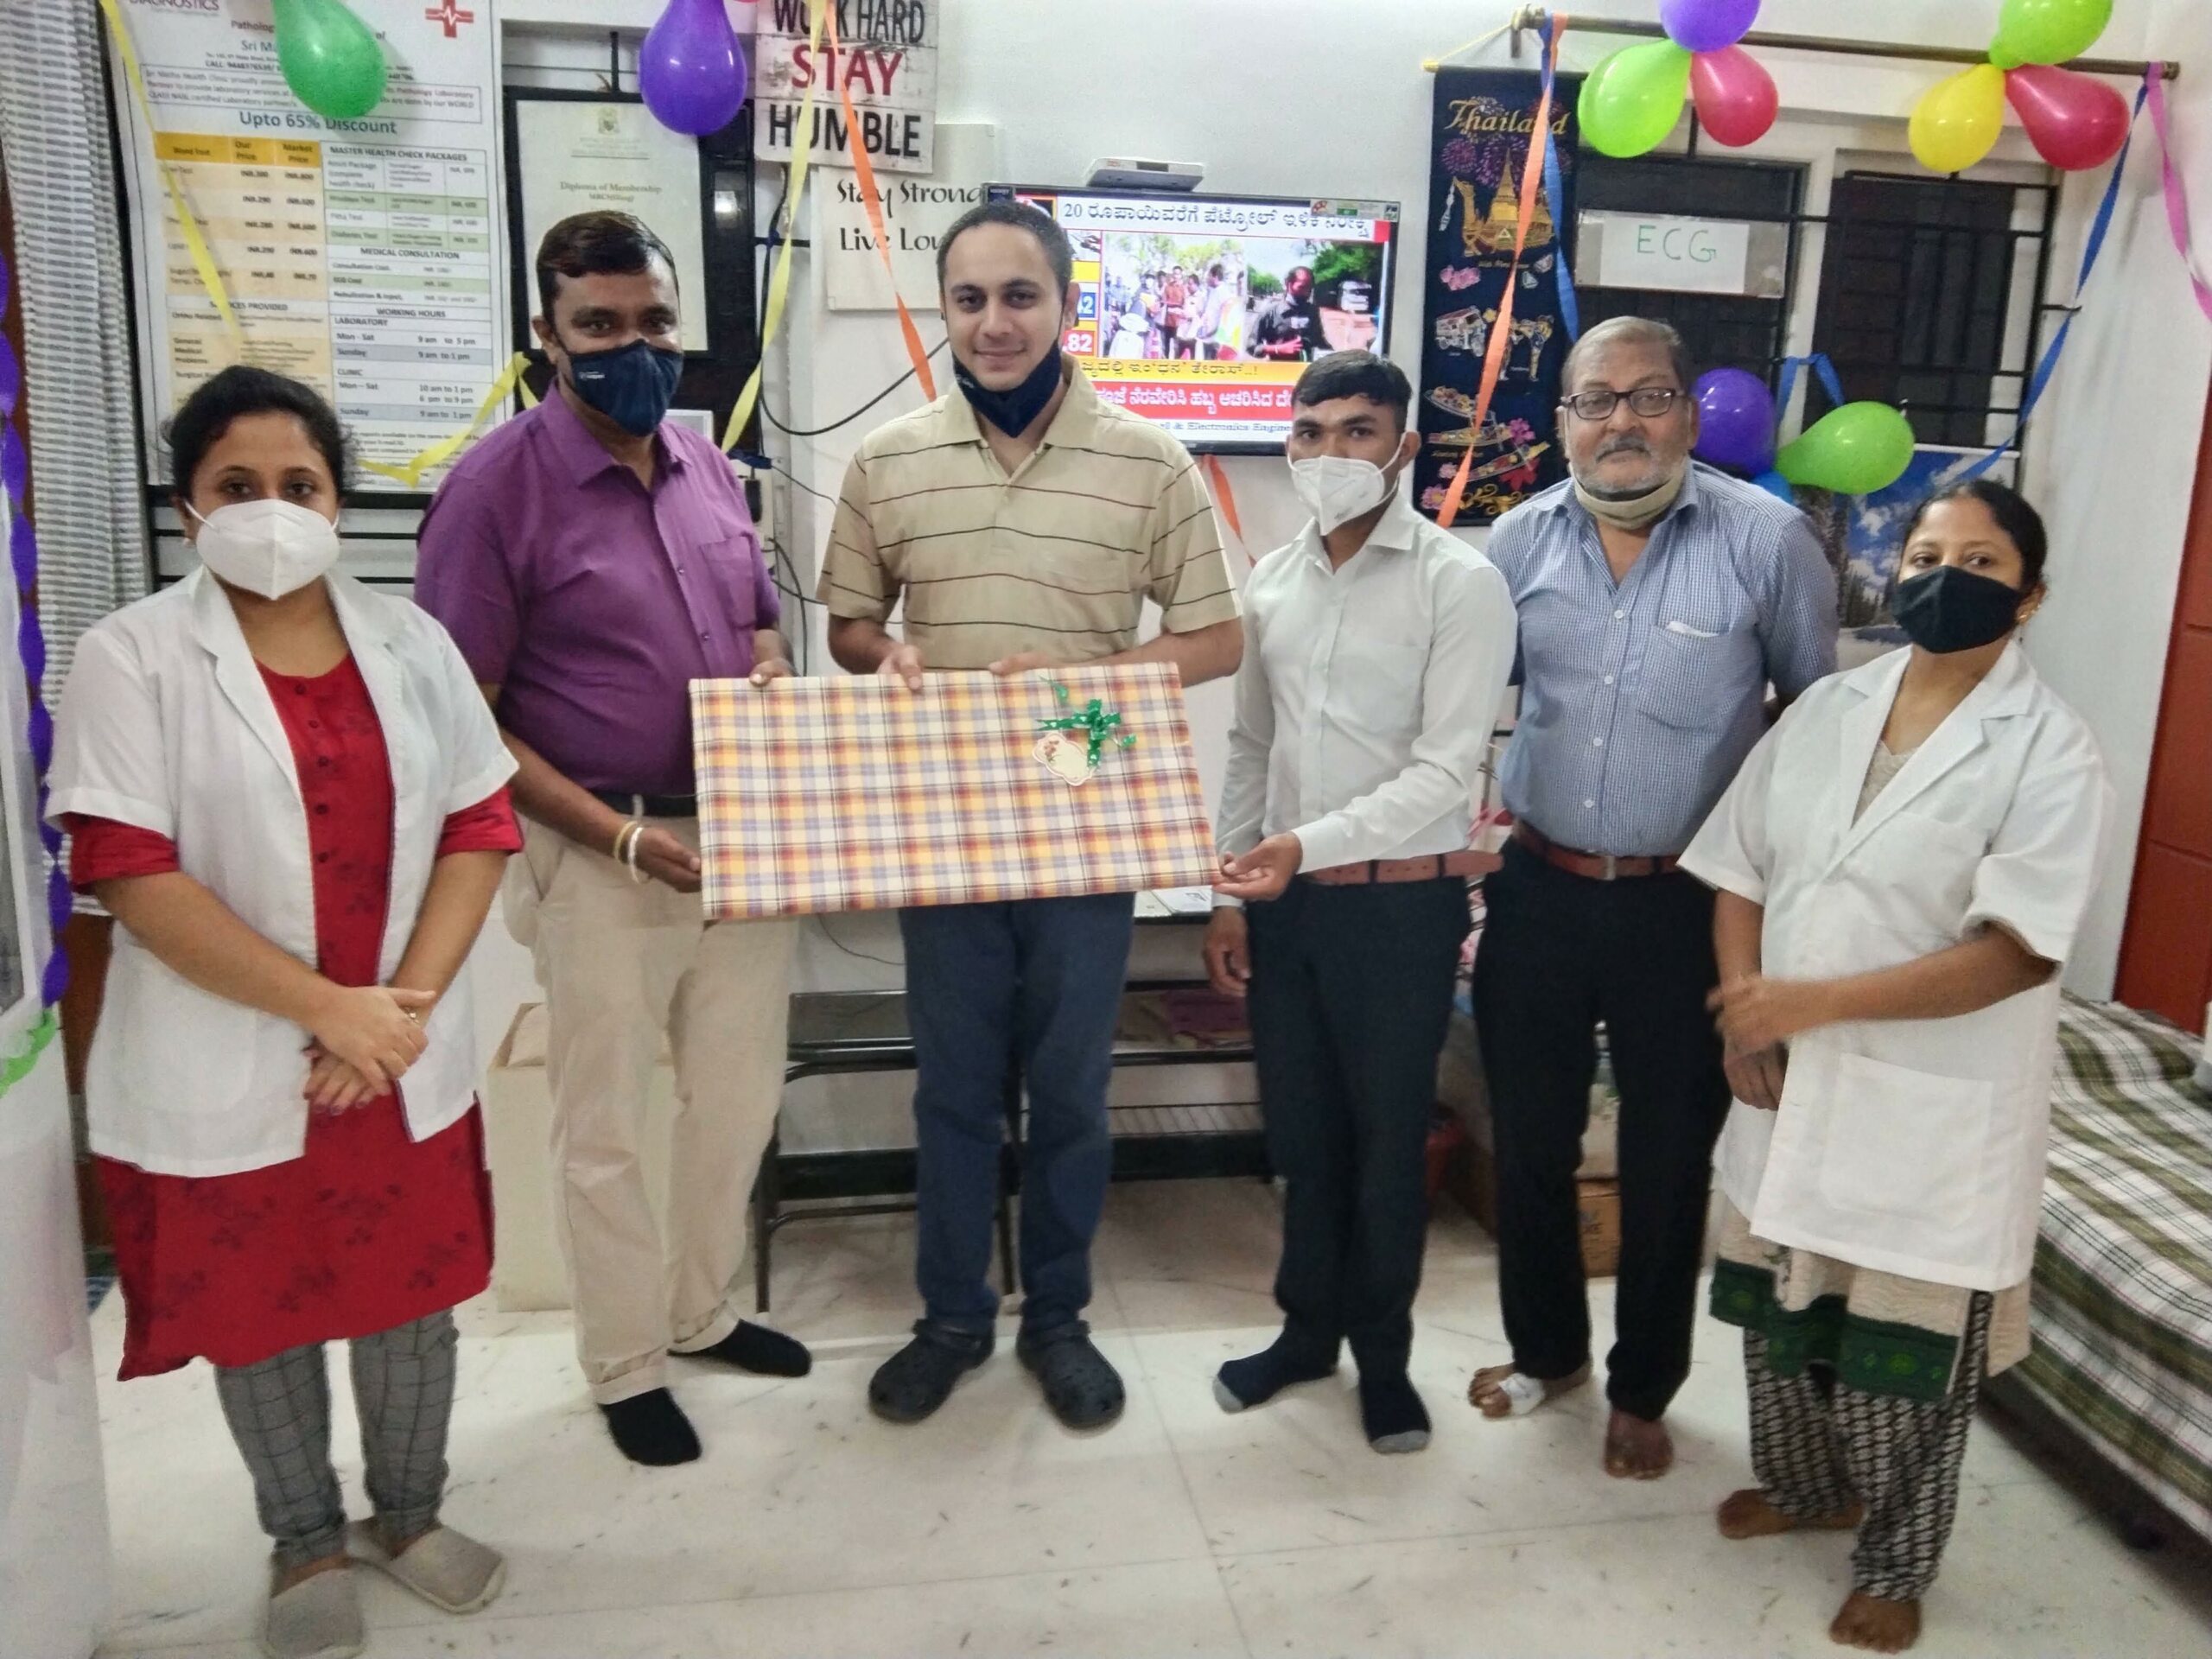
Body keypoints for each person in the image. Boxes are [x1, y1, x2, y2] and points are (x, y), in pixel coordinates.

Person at [52, 366, 518, 1659]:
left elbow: (479, 823)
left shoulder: (412, 643)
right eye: (236, 485)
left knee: (410, 1305)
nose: (270, 509)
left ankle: (411, 1518)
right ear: (189, 507)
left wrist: (394, 1020)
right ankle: (304, 1538)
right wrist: (331, 1014)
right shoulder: (131, 654)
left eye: (298, 485)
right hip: (239, 1050)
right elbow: (126, 868)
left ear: (336, 501)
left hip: (395, 1054)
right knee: (257, 1315)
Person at [821, 199, 1243, 1431]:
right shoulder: (890, 458)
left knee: (1068, 1090)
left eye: (1020, 296)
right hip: (944, 815)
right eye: (969, 299)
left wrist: (1090, 682)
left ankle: (1058, 1316)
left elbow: (1215, 639)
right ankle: (951, 1318)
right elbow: (848, 627)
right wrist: (886, 656)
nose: (994, 323)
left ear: (1067, 305)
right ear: (944, 311)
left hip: (1084, 806)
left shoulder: (1150, 460)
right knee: (953, 1090)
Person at [1683, 480, 2109, 1654]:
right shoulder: (1829, 708)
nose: (1943, 577)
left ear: (2029, 596)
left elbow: (2018, 951)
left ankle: (1897, 1562)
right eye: (1925, 554)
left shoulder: (2050, 749)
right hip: (1786, 1077)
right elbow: (1740, 870)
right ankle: (1805, 1488)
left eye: (1979, 561)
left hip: (1929, 1109)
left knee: (1901, 1360)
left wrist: (1812, 1004)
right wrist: (1748, 1018)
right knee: (1778, 1317)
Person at [414, 211, 805, 1470]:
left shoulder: (706, 465)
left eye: (652, 322)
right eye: (599, 326)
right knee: (606, 1125)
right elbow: (465, 719)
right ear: (548, 335)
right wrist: (621, 843)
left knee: (735, 1103)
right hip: (599, 854)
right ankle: (626, 1361)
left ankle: (700, 1312)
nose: (632, 347)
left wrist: (770, 674)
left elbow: (759, 625)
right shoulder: (491, 492)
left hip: (744, 844)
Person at [1471, 316, 1838, 1478]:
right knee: (1529, 1143)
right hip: (1538, 887)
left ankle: (1643, 1389)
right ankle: (1549, 1355)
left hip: (1687, 905)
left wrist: (1772, 932)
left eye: (1648, 396)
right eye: (1595, 400)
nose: (1621, 421)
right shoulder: (1514, 543)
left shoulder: (1767, 541)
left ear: (1688, 410)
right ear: (1562, 422)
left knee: (1670, 1158)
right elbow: (1469, 700)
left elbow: (1815, 728)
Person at [1205, 352, 1514, 1452]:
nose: (1329, 452)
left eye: (1357, 432)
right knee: (1301, 1134)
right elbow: (1251, 745)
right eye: (1311, 431)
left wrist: (1304, 846)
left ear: (1403, 448)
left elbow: (1443, 774)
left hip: (1398, 912)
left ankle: (1383, 1363)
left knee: (1387, 1143)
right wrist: (1229, 890)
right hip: (1284, 910)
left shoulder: (1457, 583)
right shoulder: (1271, 583)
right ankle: (1303, 1337)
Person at [1247, 267, 1331, 363]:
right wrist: (1278, 349)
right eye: (1302, 287)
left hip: (1307, 370)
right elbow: (1251, 347)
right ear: (1288, 284)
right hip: (1279, 370)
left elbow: (1319, 342)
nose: (1306, 293)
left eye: (1309, 288)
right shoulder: (1270, 313)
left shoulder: (1312, 311)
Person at [1195, 263, 1233, 362]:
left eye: (1209, 276)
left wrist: (1211, 333)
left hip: (1216, 339)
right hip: (1207, 336)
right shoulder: (1211, 291)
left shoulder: (1225, 294)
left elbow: (1224, 321)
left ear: (1215, 277)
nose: (1207, 278)